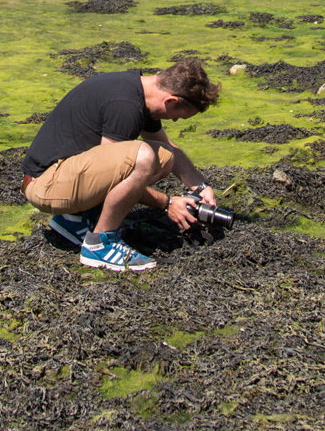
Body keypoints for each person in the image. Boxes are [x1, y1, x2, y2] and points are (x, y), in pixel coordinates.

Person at [21, 57, 222, 273]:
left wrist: (201, 187)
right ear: (171, 101)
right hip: (45, 185)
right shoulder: (125, 106)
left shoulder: (139, 90)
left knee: (165, 156)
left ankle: (74, 220)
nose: (173, 121)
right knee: (142, 156)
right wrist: (167, 203)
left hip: (59, 174)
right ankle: (99, 244)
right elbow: (118, 174)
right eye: (178, 116)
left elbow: (168, 147)